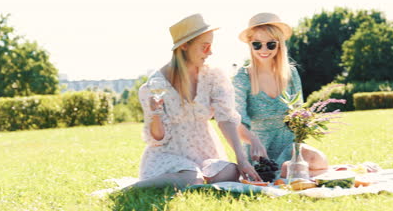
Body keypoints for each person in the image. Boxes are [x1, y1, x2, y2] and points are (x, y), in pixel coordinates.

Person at [134, 13, 261, 189]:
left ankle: (194, 179)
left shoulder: (214, 75)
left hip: (204, 154)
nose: (210, 52)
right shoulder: (154, 86)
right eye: (205, 46)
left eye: (211, 46)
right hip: (169, 155)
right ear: (185, 45)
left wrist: (242, 160)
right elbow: (157, 138)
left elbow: (226, 119)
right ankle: (134, 188)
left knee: (230, 172)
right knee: (193, 178)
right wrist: (155, 112)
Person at [233, 12, 329, 178]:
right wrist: (254, 141)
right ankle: (287, 174)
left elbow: (299, 114)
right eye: (257, 44)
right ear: (250, 44)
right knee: (292, 173)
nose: (264, 50)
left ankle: (290, 173)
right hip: (260, 153)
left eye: (270, 44)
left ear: (279, 45)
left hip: (289, 146)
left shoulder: (290, 74)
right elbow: (237, 123)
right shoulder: (243, 77)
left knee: (320, 160)